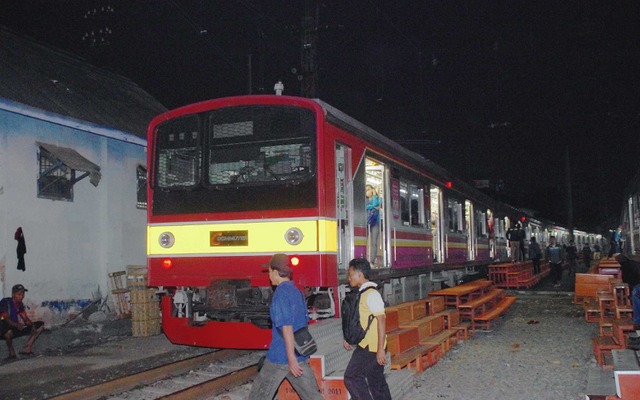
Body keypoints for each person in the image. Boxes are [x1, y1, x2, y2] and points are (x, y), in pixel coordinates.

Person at [248, 254, 322, 400]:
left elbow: (286, 327)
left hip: (280, 356)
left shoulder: (280, 294)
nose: (269, 276)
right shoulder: (296, 291)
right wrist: (294, 357)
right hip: (299, 354)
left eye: (269, 272)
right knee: (313, 397)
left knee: (258, 396)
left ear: (276, 272)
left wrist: (290, 358)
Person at [343, 258, 391, 400]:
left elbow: (381, 321)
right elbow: (361, 320)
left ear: (360, 274)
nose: (348, 278)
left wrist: (380, 349)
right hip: (368, 344)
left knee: (351, 376)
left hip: (371, 347)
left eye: (350, 274)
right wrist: (349, 337)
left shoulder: (372, 295)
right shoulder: (363, 293)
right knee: (376, 382)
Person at [0, 284, 44, 360]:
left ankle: (27, 348)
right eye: (19, 294)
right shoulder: (5, 302)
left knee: (40, 325)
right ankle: (12, 353)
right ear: (13, 294)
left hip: (15, 328)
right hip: (3, 329)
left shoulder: (20, 304)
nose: (22, 296)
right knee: (7, 330)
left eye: (23, 294)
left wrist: (32, 326)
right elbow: (5, 317)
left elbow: (25, 319)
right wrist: (16, 325)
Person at [366, 184, 381, 265]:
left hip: (375, 222)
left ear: (372, 190)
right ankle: (364, 258)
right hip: (367, 221)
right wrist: (373, 207)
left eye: (368, 190)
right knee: (364, 240)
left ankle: (372, 260)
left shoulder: (379, 198)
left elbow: (376, 205)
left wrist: (375, 195)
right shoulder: (365, 200)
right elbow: (367, 207)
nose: (366, 192)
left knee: (374, 242)